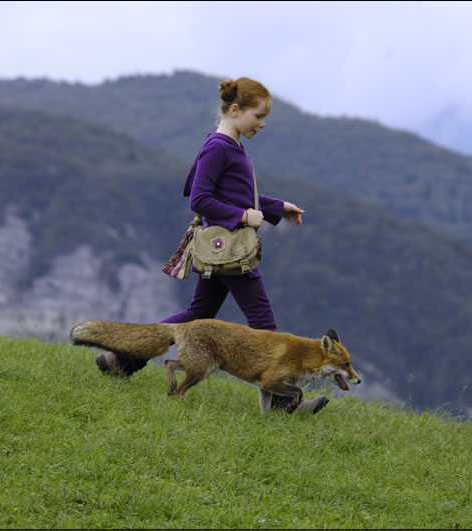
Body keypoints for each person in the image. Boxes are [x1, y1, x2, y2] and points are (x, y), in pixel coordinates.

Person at [96, 77, 329, 414]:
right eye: (258, 116)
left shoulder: (228, 145)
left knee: (197, 315)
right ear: (235, 109)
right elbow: (200, 198)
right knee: (264, 324)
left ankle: (122, 360)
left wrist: (276, 208)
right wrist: (242, 216)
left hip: (222, 251)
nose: (262, 124)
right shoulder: (219, 147)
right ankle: (281, 405)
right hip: (230, 250)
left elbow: (233, 194)